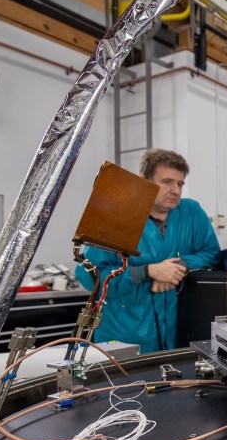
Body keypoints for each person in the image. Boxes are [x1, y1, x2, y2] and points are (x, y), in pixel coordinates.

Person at [76, 149, 219, 353]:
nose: (176, 190)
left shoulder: (191, 213)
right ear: (145, 182)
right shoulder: (118, 216)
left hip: (175, 333)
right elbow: (89, 274)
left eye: (180, 184)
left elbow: (212, 254)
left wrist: (177, 267)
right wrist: (147, 272)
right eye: (167, 182)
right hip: (125, 335)